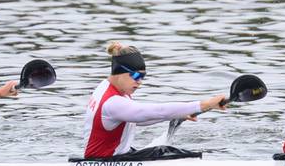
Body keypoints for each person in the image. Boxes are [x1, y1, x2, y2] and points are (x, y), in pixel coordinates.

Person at [82, 41, 227, 159]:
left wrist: (178, 114)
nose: (140, 82)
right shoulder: (112, 102)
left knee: (166, 152)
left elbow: (138, 119)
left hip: (108, 158)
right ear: (119, 72)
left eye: (143, 77)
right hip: (104, 163)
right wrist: (206, 104)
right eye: (137, 76)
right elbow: (156, 111)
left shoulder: (107, 87)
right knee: (168, 153)